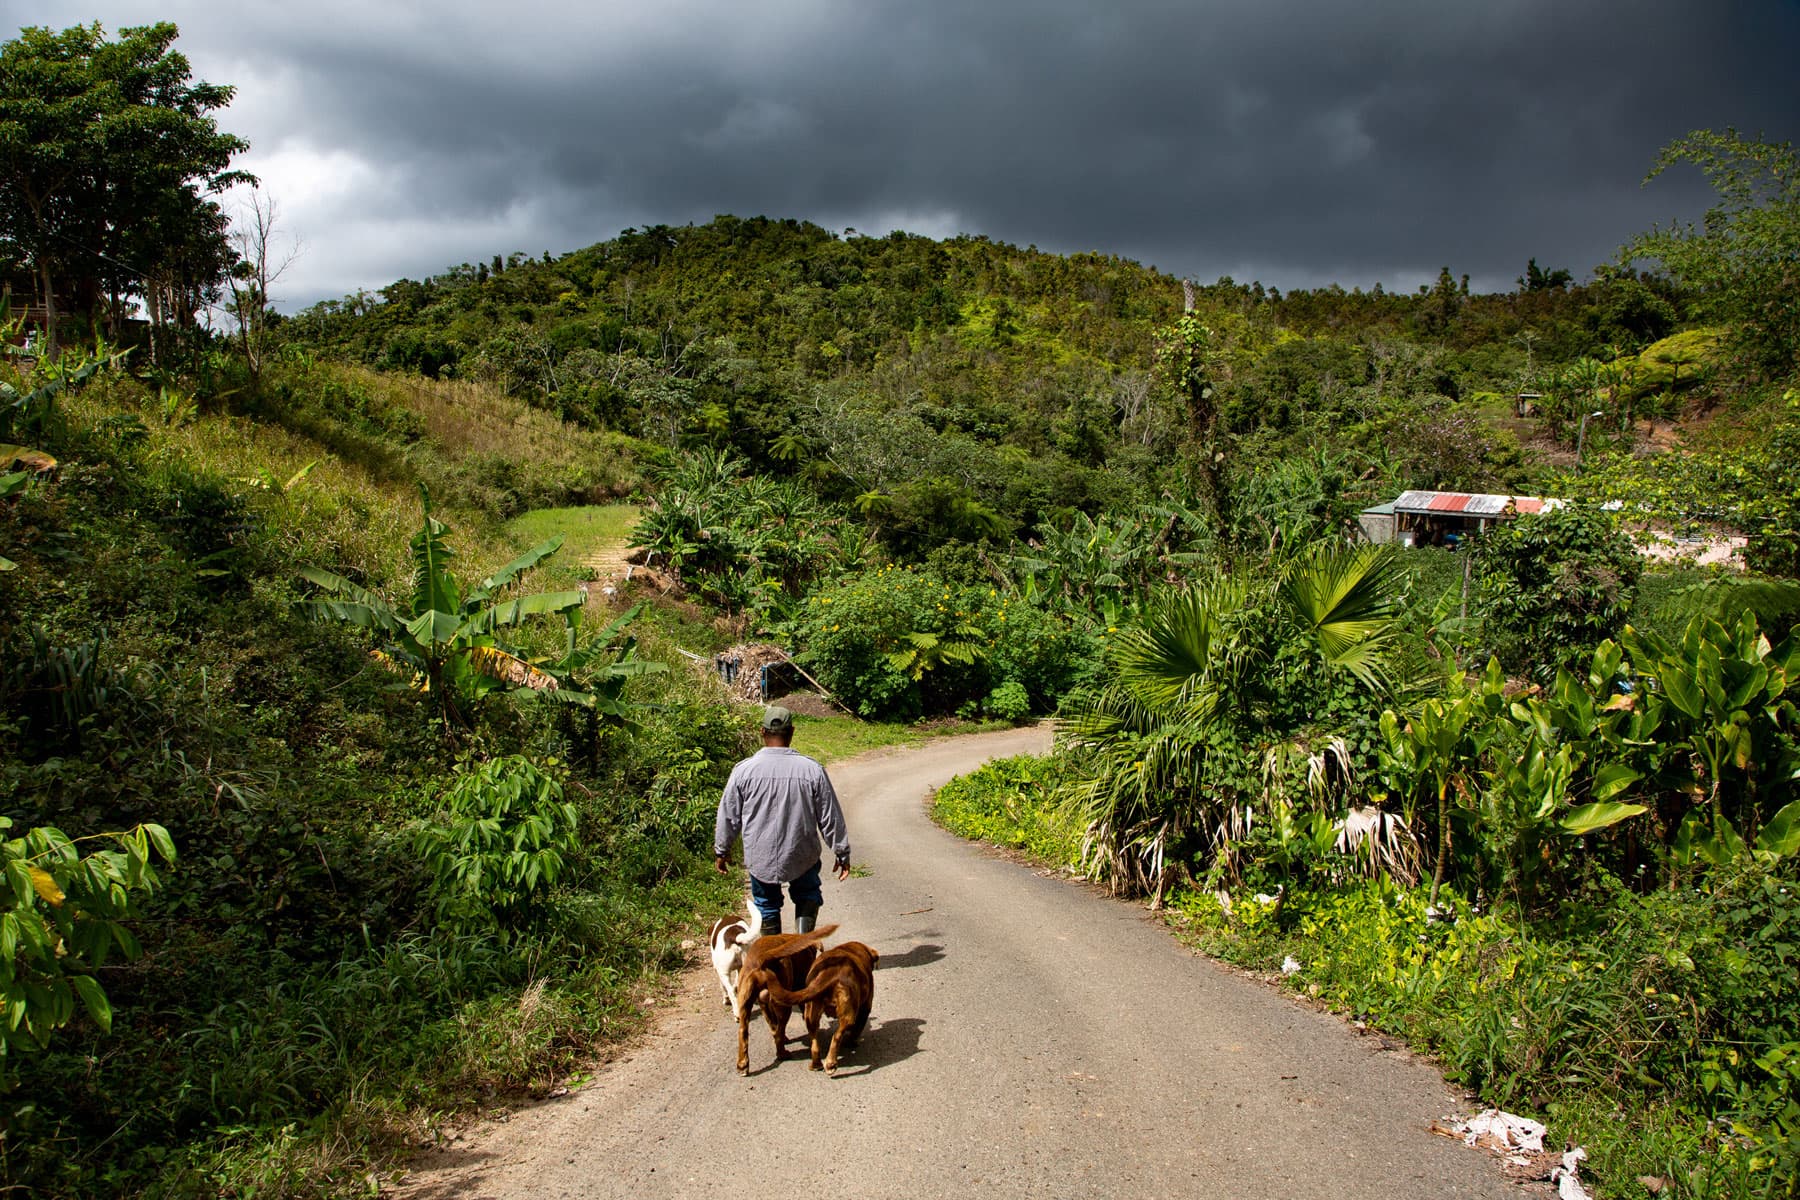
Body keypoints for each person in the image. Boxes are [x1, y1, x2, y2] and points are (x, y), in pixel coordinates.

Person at [714, 705, 851, 934]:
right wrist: (841, 852)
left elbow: (728, 816)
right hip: (802, 853)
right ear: (792, 732)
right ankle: (802, 949)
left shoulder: (743, 771)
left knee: (766, 905)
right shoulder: (811, 770)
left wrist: (722, 849)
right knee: (807, 895)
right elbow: (829, 816)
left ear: (762, 731)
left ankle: (776, 959)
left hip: (760, 855)